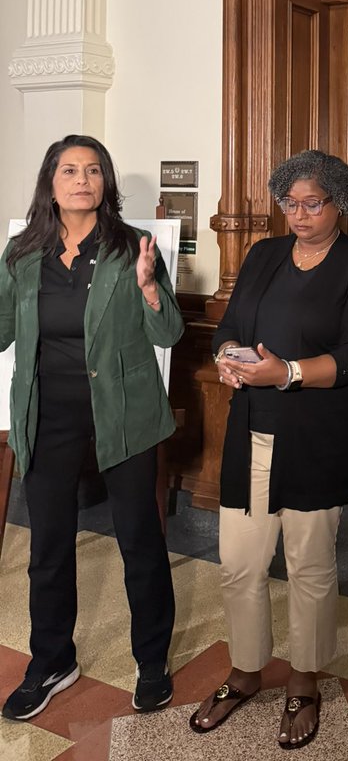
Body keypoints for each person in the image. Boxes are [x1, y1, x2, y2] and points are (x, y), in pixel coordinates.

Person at [190, 149, 348, 749]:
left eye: (314, 204)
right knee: (240, 563)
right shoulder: (263, 254)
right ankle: (247, 670)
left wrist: (290, 373)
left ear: (341, 204)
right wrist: (227, 358)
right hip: (253, 430)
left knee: (309, 566)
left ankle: (305, 678)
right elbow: (230, 326)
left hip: (318, 436)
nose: (299, 215)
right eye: (290, 203)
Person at [0, 134, 183, 721]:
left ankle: (152, 661)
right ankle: (51, 660)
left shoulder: (133, 248)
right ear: (49, 182)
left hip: (122, 413)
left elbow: (170, 335)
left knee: (140, 541)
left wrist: (152, 288)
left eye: (94, 170)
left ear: (105, 184)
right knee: (47, 546)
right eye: (70, 170)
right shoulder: (22, 254)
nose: (83, 179)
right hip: (45, 412)